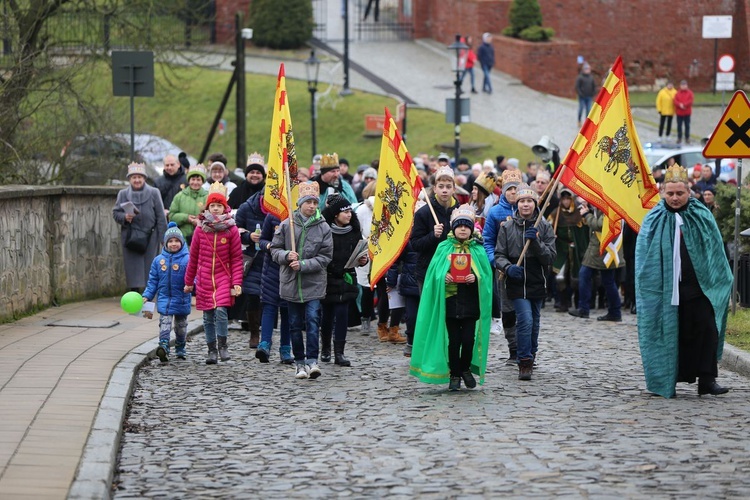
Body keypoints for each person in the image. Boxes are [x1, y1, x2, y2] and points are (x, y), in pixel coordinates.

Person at [635, 164, 732, 398]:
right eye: (670, 194)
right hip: (665, 289)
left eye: (680, 193)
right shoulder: (653, 219)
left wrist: (717, 281)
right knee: (669, 333)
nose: (675, 198)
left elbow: (715, 250)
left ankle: (707, 380)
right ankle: (665, 381)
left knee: (707, 329)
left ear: (689, 191)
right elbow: (643, 258)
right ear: (662, 193)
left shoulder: (701, 214)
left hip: (700, 286)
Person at [410, 205, 492, 391]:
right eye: (459, 226)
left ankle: (465, 369)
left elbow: (486, 277)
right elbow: (433, 275)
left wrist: (476, 277)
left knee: (468, 340)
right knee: (454, 341)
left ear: (471, 229)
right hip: (450, 303)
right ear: (453, 228)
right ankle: (454, 373)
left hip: (471, 305)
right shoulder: (443, 248)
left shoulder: (477, 250)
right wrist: (443, 277)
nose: (463, 229)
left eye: (466, 226)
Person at [270, 181, 333, 380]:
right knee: (295, 324)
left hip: (313, 283)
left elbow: (325, 257)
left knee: (313, 321)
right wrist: (287, 255)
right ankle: (299, 363)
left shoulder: (323, 227)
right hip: (290, 283)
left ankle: (312, 359)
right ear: (300, 204)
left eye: (315, 202)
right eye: (308, 202)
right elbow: (274, 249)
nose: (312, 206)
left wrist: (304, 265)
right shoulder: (286, 224)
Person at [494, 184, 556, 381]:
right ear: (517, 204)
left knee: (535, 322)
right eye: (522, 201)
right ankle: (524, 360)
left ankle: (532, 352)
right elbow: (499, 254)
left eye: (529, 201)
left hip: (537, 279)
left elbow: (550, 257)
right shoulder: (507, 226)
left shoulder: (544, 226)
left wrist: (536, 242)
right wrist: (507, 267)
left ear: (535, 203)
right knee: (525, 319)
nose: (525, 205)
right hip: (517, 280)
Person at [184, 182, 243, 365]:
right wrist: (189, 281)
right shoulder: (200, 229)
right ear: (208, 207)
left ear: (225, 207)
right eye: (212, 205)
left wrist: (237, 282)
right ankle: (211, 350)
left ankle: (223, 345)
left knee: (221, 311)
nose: (216, 209)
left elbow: (236, 258)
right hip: (204, 278)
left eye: (219, 205)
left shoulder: (231, 229)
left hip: (223, 277)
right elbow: (193, 257)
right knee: (208, 315)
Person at [320, 195, 368, 366]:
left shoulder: (354, 231)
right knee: (327, 316)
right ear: (335, 215)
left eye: (350, 211)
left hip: (347, 278)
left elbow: (360, 253)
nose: (349, 215)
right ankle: (325, 348)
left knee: (342, 315)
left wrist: (363, 260)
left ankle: (339, 352)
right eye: (345, 212)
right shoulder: (324, 230)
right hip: (328, 278)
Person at [482, 169, 523, 362]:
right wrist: (495, 261)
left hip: (525, 269)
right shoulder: (495, 212)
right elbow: (488, 240)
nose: (513, 192)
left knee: (526, 312)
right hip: (503, 270)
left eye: (516, 188)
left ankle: (527, 349)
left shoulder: (530, 209)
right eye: (509, 189)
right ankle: (513, 349)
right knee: (508, 311)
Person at [113, 162, 168, 293]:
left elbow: (161, 216)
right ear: (129, 179)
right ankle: (134, 293)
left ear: (144, 178)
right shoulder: (123, 194)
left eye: (139, 177)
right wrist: (125, 217)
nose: (137, 180)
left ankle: (149, 294)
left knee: (151, 266)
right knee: (133, 266)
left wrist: (163, 238)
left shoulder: (154, 193)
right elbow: (115, 213)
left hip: (151, 236)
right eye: (134, 177)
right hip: (131, 236)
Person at [142, 222, 192, 362]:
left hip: (181, 298)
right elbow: (153, 281)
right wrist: (147, 296)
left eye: (177, 241)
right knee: (164, 323)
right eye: (170, 241)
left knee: (181, 327)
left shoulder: (188, 259)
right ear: (165, 243)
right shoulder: (158, 261)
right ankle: (163, 346)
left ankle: (180, 346)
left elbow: (194, 277)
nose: (174, 244)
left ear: (182, 242)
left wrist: (191, 286)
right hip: (164, 298)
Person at [568, 204, 624, 322]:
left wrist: (587, 215)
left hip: (603, 249)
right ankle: (613, 311)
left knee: (587, 275)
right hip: (601, 249)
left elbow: (599, 225)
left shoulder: (610, 205)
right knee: (607, 281)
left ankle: (586, 309)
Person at [256, 212, 294, 364]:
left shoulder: (296, 218)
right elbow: (262, 240)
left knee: (287, 311)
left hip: (290, 270)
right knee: (269, 307)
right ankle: (264, 344)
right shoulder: (272, 216)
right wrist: (268, 245)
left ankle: (285, 348)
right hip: (271, 270)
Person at [235, 188, 267, 348]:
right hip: (252, 258)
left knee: (270, 299)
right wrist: (248, 236)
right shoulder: (246, 207)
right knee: (253, 295)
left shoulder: (281, 209)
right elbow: (234, 229)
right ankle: (254, 333)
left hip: (272, 257)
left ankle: (266, 334)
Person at [548, 188, 589, 313]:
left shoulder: (578, 214)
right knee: (560, 277)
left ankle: (577, 303)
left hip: (575, 250)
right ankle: (563, 303)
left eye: (568, 199)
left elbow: (584, 233)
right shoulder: (556, 213)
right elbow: (547, 229)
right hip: (561, 249)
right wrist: (551, 236)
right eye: (563, 199)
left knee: (576, 276)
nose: (565, 201)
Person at [354, 181, 378, 332]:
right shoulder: (363, 210)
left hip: (377, 248)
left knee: (372, 287)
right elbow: (359, 230)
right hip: (368, 249)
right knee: (369, 286)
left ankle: (368, 318)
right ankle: (368, 318)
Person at [168, 164, 208, 245]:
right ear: (189, 180)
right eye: (193, 179)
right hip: (182, 238)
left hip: (203, 239)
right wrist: (186, 218)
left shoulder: (208, 197)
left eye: (198, 180)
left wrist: (199, 221)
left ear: (202, 181)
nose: (195, 182)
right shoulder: (179, 196)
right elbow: (171, 216)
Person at [674, 80, 694, 144]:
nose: (683, 86)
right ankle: (679, 138)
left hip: (687, 112)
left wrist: (684, 105)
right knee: (679, 126)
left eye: (684, 85)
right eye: (682, 85)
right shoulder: (677, 93)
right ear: (680, 86)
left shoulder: (690, 93)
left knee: (687, 126)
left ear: (687, 85)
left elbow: (690, 101)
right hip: (679, 113)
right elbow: (675, 100)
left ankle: (687, 138)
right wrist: (680, 105)